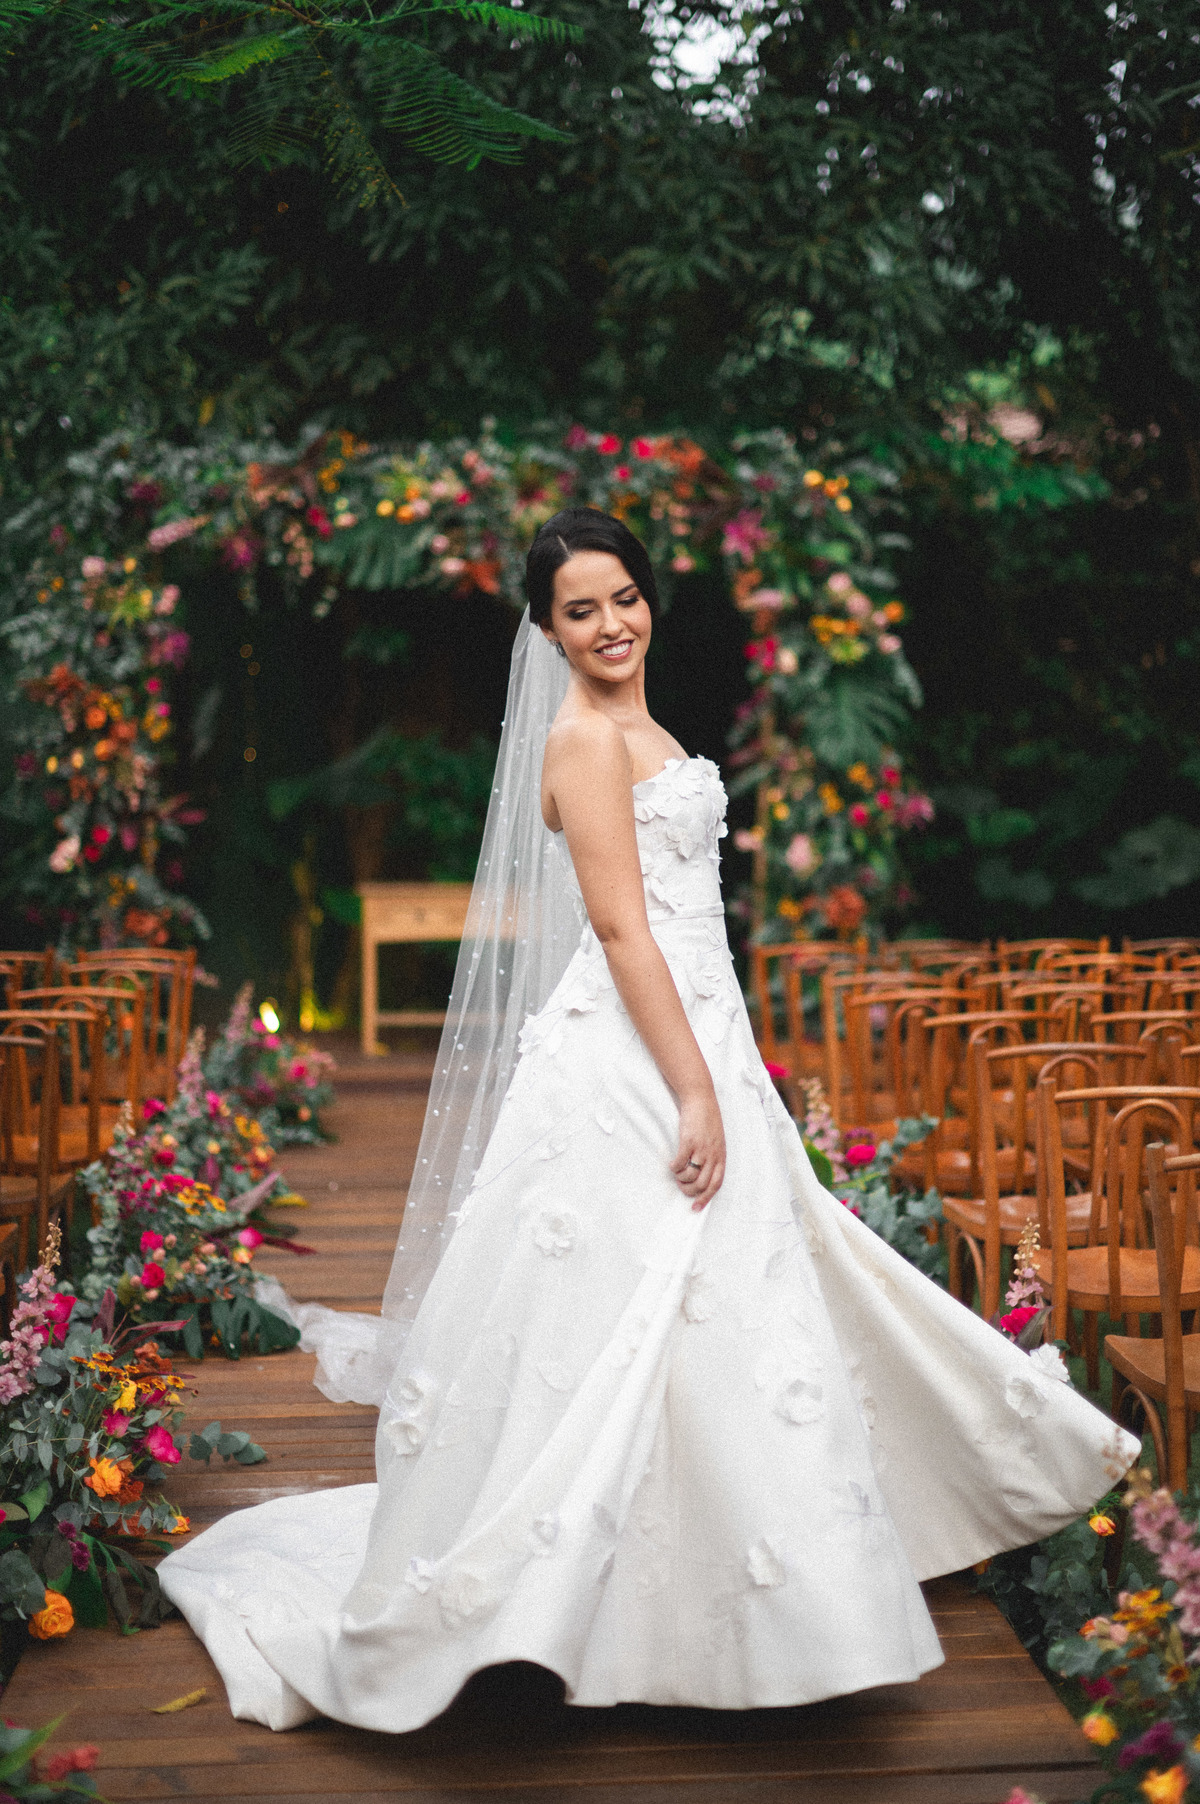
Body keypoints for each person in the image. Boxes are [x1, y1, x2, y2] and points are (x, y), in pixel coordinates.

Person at [160, 508, 1137, 1734]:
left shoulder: (640, 722)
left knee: (735, 1301)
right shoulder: (580, 738)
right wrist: (688, 1088)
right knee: (647, 1296)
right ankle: (616, 1608)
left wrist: (722, 1068)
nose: (612, 623)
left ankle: (728, 1598)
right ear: (547, 628)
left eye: (624, 597)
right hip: (640, 1051)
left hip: (699, 1025)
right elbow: (622, 930)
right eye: (581, 609)